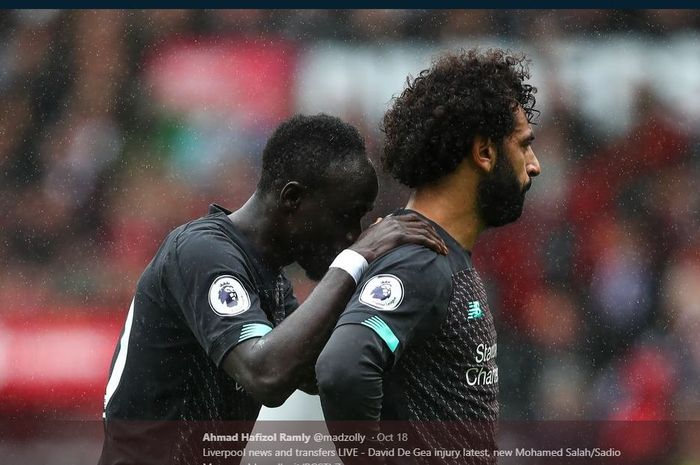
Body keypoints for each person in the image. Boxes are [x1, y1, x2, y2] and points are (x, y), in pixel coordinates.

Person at [98, 114, 447, 465]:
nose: (352, 235)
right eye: (347, 215)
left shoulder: (271, 283)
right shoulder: (200, 251)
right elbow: (265, 374)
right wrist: (357, 258)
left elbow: (317, 372)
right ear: (293, 198)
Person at [315, 49, 541, 464]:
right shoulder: (418, 260)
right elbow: (341, 369)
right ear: (485, 153)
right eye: (524, 146)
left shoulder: (438, 255)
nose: (534, 165)